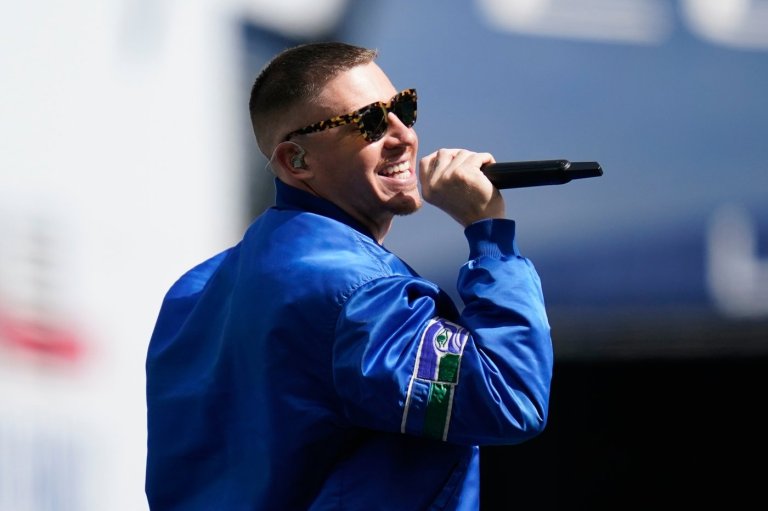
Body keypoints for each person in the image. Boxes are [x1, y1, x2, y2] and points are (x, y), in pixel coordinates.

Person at [145, 41, 553, 510]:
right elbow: (510, 397)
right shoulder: (357, 295)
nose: (404, 135)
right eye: (371, 123)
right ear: (296, 161)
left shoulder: (192, 292)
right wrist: (489, 237)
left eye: (404, 108)